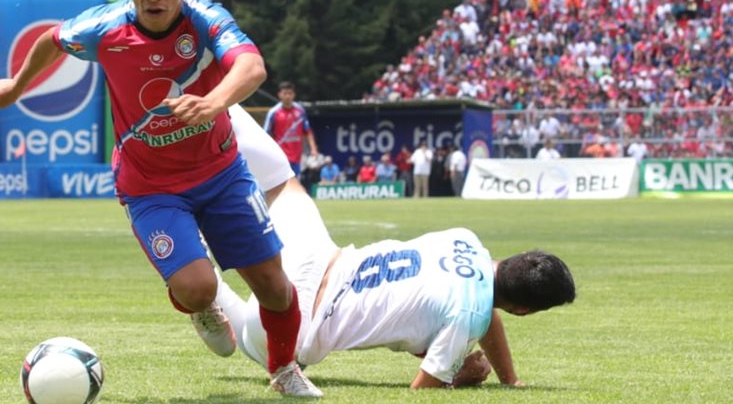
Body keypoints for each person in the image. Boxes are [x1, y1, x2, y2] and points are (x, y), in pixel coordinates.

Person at [0, 0, 320, 398]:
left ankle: (284, 371)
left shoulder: (205, 18)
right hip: (150, 185)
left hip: (221, 174)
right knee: (197, 286)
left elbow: (251, 65)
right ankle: (201, 307)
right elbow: (52, 40)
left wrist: (214, 102)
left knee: (273, 286)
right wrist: (14, 86)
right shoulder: (105, 28)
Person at [221, 103, 576, 388]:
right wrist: (459, 376)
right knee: (240, 322)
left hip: (319, 257)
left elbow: (485, 306)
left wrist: (509, 378)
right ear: (523, 311)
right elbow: (425, 385)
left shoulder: (466, 239)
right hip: (298, 327)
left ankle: (214, 97)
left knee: (281, 181)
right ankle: (202, 286)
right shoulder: (468, 315)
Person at [262, 81, 319, 176]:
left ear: (294, 94)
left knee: (296, 183)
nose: (287, 96)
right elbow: (265, 134)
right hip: (280, 157)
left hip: (297, 157)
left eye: (290, 93)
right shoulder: (274, 112)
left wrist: (313, 149)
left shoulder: (300, 111)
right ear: (279, 95)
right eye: (285, 93)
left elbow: (308, 131)